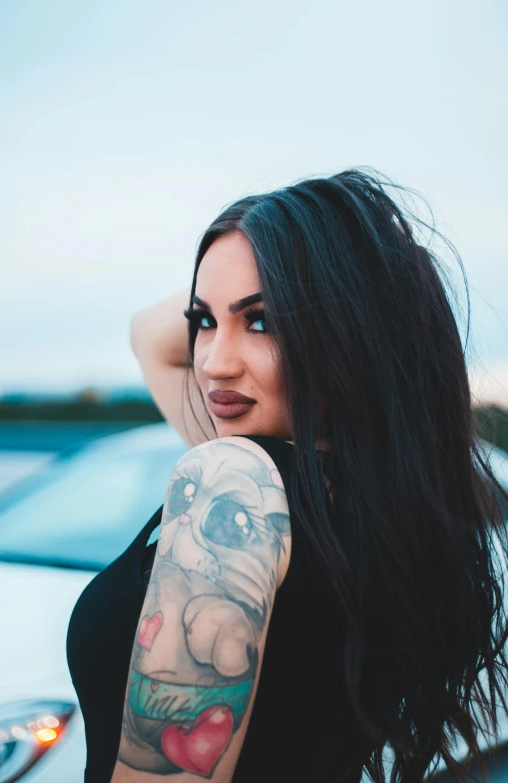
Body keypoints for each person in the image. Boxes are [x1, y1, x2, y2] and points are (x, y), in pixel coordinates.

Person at [67, 168, 508, 783]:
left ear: (348, 334)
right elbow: (152, 335)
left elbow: (148, 332)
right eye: (205, 321)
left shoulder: (234, 481)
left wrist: (336, 270)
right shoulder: (364, 503)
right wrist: (332, 264)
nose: (215, 365)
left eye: (262, 321)